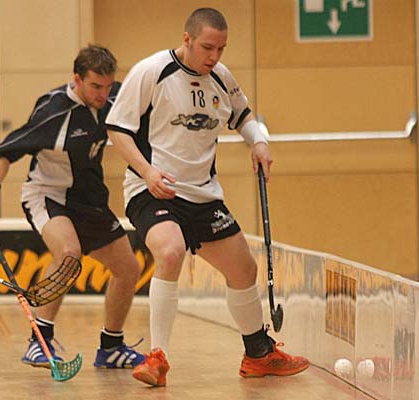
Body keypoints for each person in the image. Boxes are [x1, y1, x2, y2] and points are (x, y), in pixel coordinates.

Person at [106, 7, 310, 387]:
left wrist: (259, 142)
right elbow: (117, 129)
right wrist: (147, 172)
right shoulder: (152, 72)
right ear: (187, 39)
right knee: (170, 252)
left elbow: (243, 116)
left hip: (203, 195)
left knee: (244, 269)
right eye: (207, 48)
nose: (214, 56)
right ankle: (157, 357)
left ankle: (258, 354)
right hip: (153, 189)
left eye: (221, 49)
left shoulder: (221, 77)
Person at [0, 44, 145, 370]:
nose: (103, 94)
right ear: (77, 79)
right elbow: (5, 152)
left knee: (129, 269)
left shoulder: (114, 97)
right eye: (95, 86)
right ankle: (40, 343)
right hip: (47, 195)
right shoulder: (53, 111)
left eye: (108, 86)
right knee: (68, 254)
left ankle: (111, 348)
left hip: (90, 201)